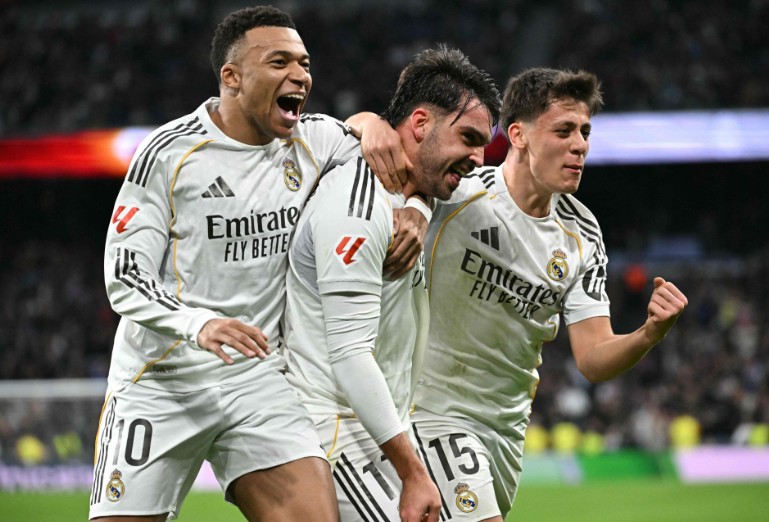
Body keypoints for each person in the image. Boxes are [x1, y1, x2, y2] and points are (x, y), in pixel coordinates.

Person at [89, 6, 414, 522]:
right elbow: (124, 278)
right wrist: (200, 324)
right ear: (232, 77)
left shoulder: (316, 139)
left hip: (257, 378)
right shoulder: (168, 155)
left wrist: (405, 199)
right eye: (280, 61)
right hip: (162, 378)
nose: (300, 76)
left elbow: (394, 164)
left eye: (305, 63)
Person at [410, 67, 689, 521]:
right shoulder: (457, 194)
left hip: (506, 430)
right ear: (517, 134)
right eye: (563, 130)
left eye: (585, 131)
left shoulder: (583, 235)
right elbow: (377, 145)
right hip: (431, 410)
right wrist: (367, 122)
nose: (579, 144)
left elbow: (593, 355)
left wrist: (649, 334)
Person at [281, 46, 501, 522]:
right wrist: (413, 471)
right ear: (420, 124)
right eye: (468, 138)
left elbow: (429, 180)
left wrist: (419, 205)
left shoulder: (417, 191)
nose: (478, 159)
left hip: (376, 427)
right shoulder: (356, 206)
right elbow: (350, 355)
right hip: (337, 428)